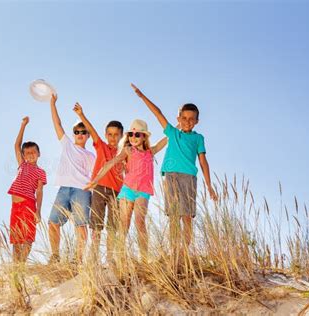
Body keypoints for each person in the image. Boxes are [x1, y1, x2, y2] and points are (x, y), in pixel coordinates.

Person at [131, 83, 218, 247]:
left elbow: (203, 161)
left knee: (187, 216)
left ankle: (185, 250)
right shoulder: (172, 132)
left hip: (188, 178)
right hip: (171, 177)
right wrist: (142, 96)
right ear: (178, 119)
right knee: (173, 216)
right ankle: (175, 251)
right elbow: (158, 113)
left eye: (192, 119)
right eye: (184, 118)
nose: (187, 121)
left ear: (197, 121)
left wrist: (209, 185)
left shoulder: (198, 138)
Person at [85, 119, 167, 262]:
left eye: (137, 135)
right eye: (131, 134)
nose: (133, 137)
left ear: (144, 137)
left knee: (140, 221)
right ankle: (120, 259)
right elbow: (110, 163)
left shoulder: (150, 152)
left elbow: (164, 140)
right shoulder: (128, 150)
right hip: (127, 190)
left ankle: (144, 258)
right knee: (123, 225)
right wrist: (96, 180)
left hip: (143, 191)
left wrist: (177, 127)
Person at [48, 94, 96, 264]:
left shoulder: (91, 155)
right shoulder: (67, 144)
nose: (80, 134)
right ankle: (54, 257)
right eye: (77, 132)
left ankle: (78, 260)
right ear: (73, 134)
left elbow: (97, 176)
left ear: (88, 135)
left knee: (81, 226)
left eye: (84, 132)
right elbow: (57, 124)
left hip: (82, 191)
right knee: (53, 223)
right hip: (64, 189)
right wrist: (52, 104)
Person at [73, 102, 124, 261]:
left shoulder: (124, 152)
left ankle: (110, 258)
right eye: (109, 134)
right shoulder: (101, 146)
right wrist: (81, 115)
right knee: (96, 225)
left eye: (116, 135)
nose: (113, 138)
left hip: (117, 192)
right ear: (106, 134)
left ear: (122, 136)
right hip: (100, 189)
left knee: (112, 227)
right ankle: (94, 257)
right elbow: (92, 131)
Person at [7, 116, 47, 262]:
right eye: (27, 153)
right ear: (23, 156)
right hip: (15, 207)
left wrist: (38, 210)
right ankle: (16, 265)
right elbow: (17, 145)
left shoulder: (40, 172)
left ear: (39, 153)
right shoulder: (22, 164)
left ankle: (22, 262)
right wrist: (23, 125)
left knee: (28, 236)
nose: (30, 155)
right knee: (16, 238)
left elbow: (39, 191)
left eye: (33, 152)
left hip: (29, 205)